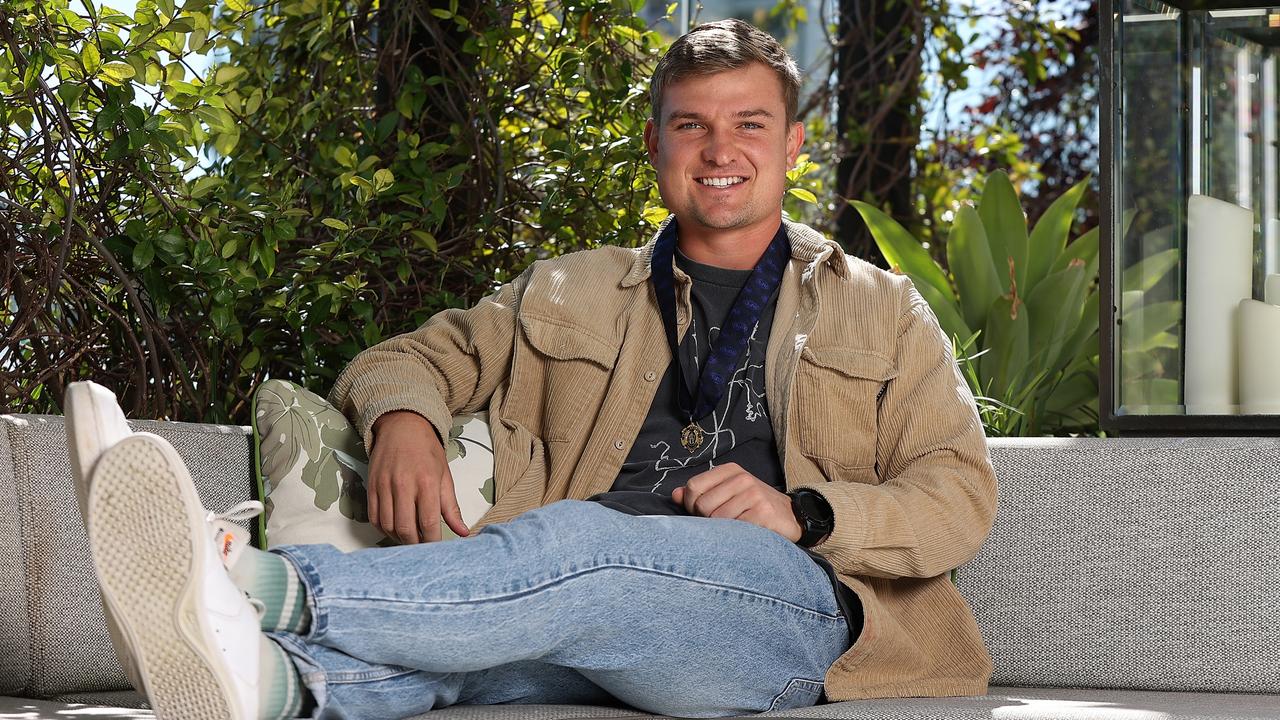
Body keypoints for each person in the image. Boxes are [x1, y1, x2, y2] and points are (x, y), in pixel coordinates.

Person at [69, 18, 997, 720]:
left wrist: (803, 512)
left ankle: (248, 580)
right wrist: (405, 421)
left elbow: (960, 493)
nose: (721, 151)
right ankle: (266, 681)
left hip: (788, 619)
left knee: (583, 541)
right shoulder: (569, 289)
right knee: (485, 645)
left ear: (793, 146)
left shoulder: (880, 306)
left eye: (750, 124)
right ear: (656, 145)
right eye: (691, 126)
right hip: (604, 616)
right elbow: (409, 359)